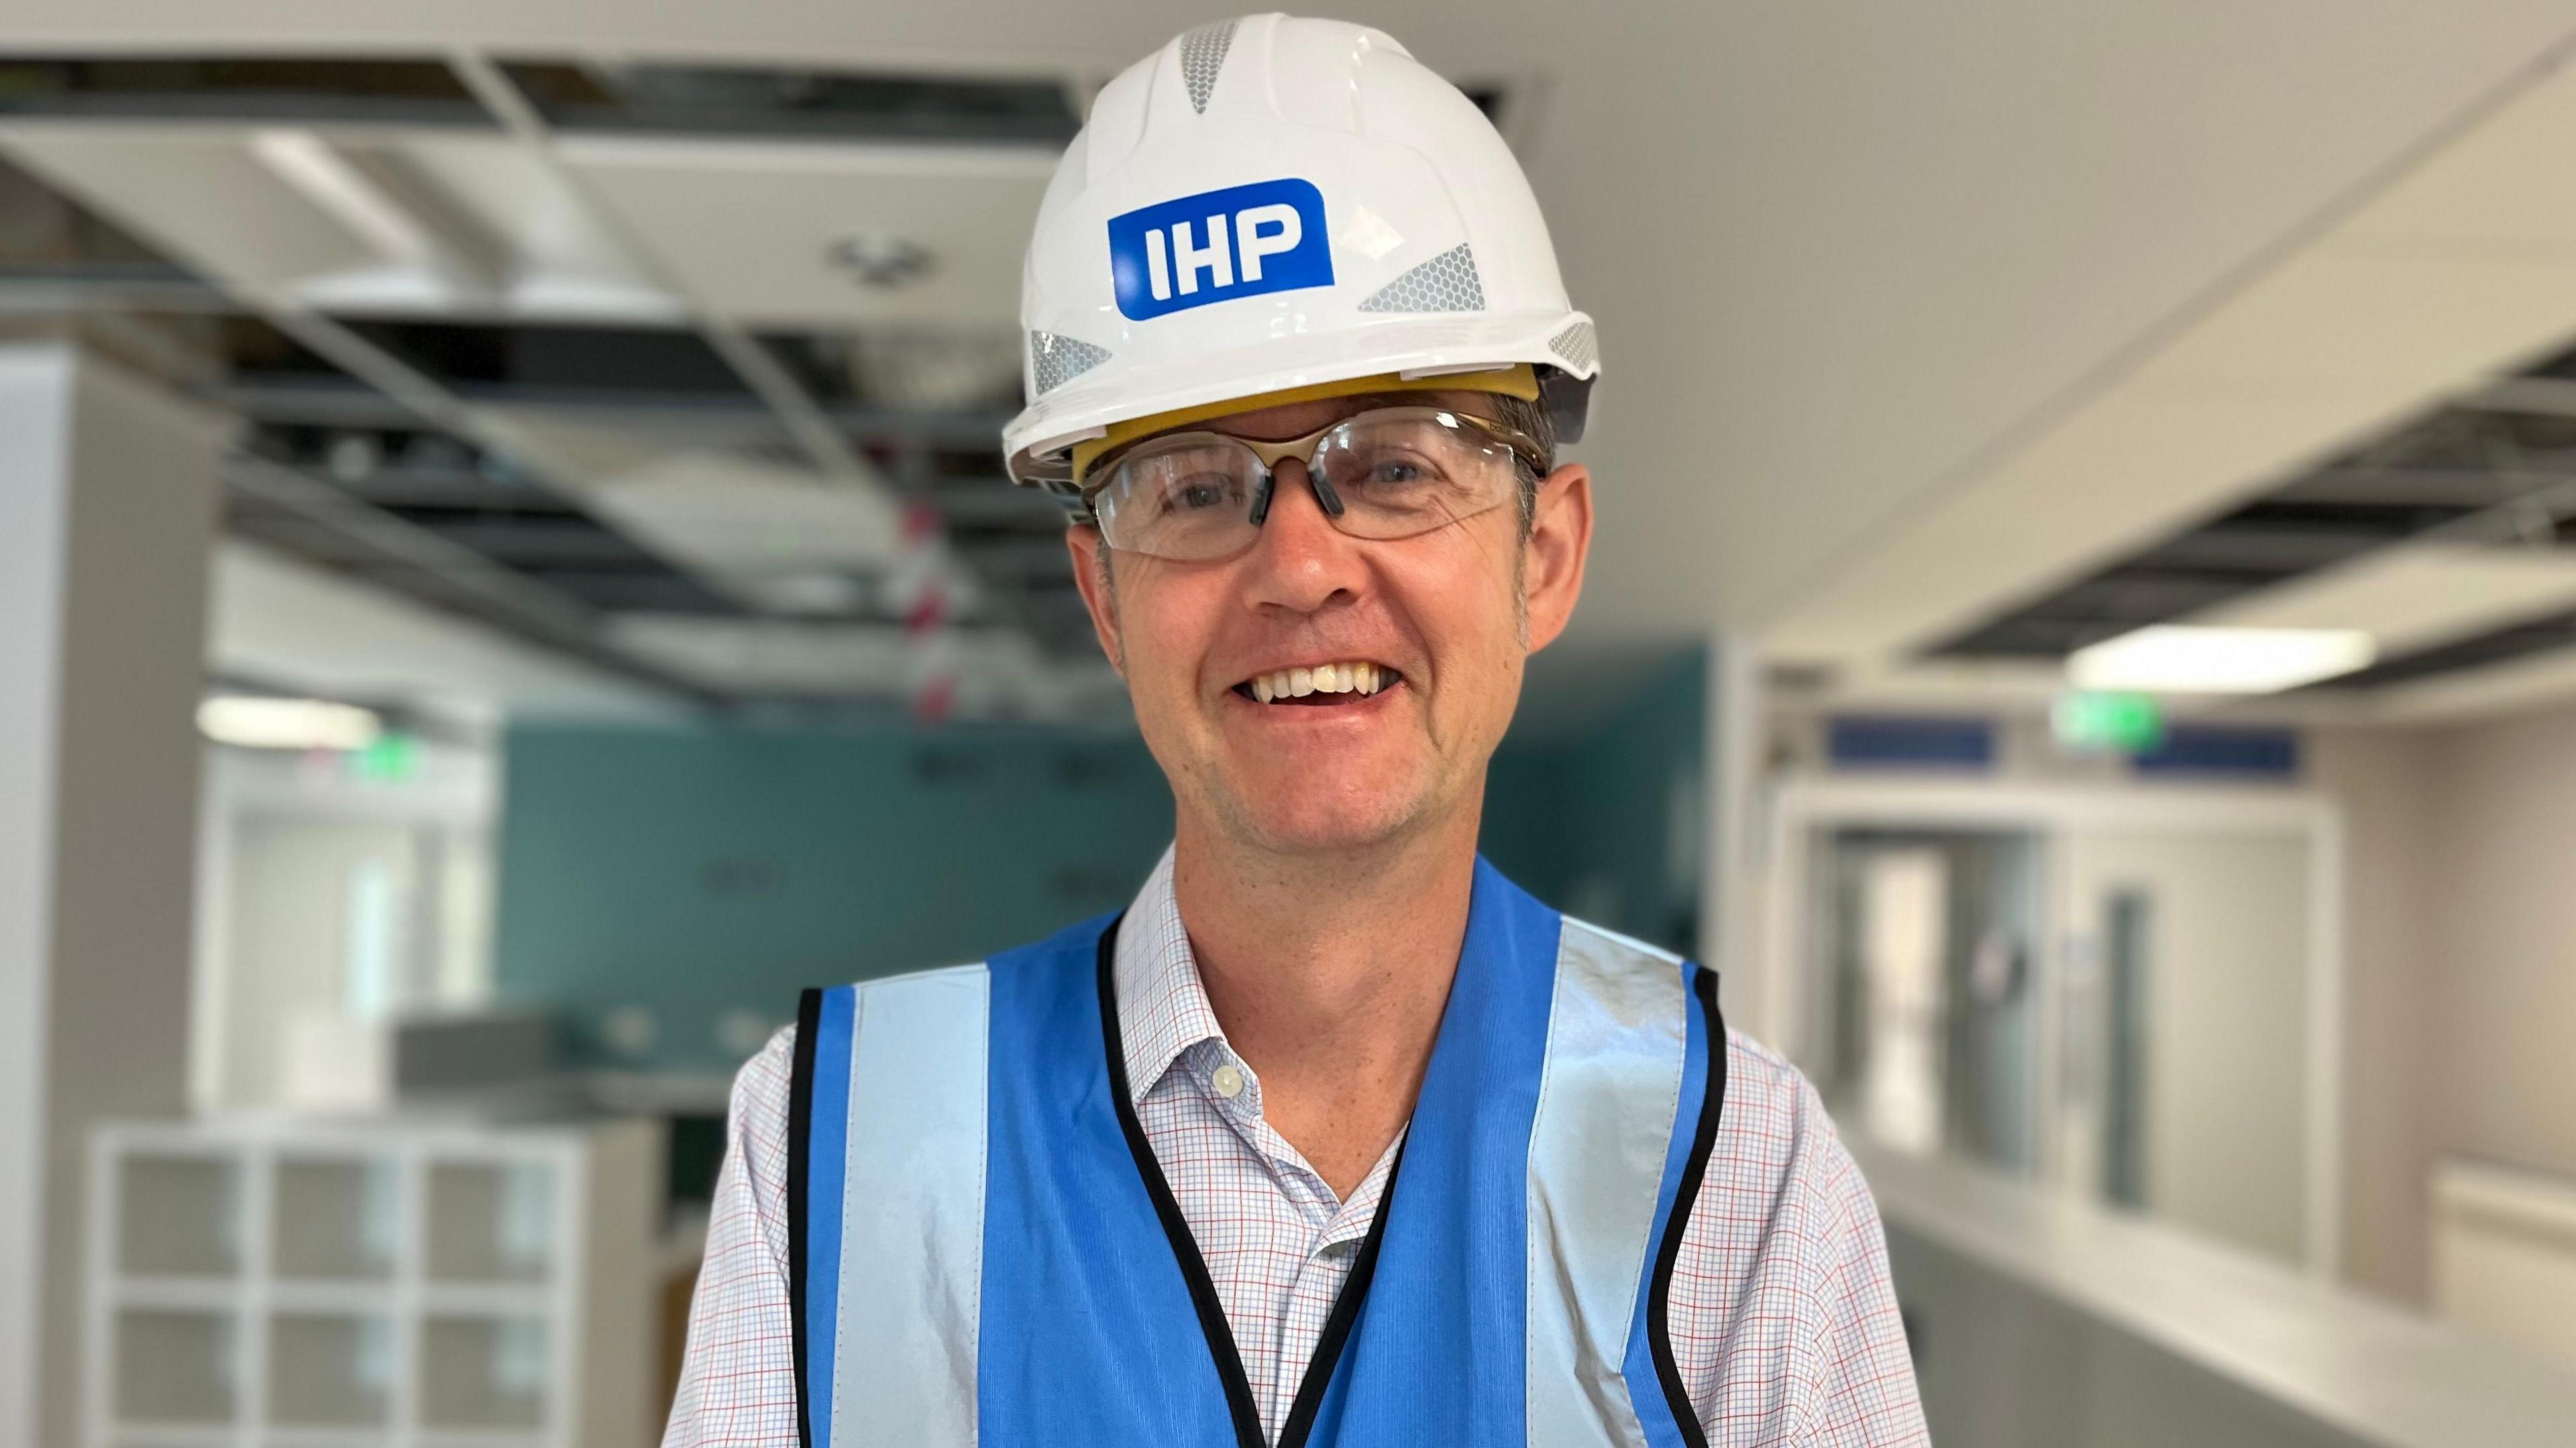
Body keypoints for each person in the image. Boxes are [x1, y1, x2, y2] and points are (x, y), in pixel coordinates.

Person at [663, 15, 1927, 1447]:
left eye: (1394, 466)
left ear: (1545, 557)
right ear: (1102, 594)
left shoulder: (1739, 1170)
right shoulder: (838, 1152)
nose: (1303, 565)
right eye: (1192, 488)